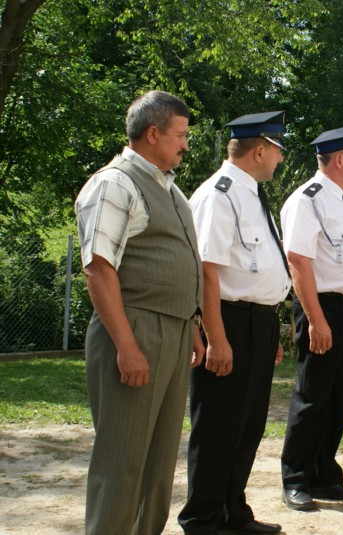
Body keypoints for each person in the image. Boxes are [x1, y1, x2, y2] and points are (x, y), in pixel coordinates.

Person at [75, 90, 204, 534]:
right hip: (135, 329)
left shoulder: (169, 187)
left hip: (173, 331)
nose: (185, 144)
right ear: (153, 134)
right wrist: (127, 347)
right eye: (180, 135)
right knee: (123, 459)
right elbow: (98, 268)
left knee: (158, 462)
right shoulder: (115, 184)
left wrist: (192, 325)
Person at [178, 112, 290, 535]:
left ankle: (231, 510)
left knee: (247, 425)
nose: (280, 159)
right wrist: (216, 337)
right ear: (259, 150)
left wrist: (269, 330)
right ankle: (202, 519)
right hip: (228, 321)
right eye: (277, 151)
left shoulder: (252, 194)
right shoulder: (219, 195)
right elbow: (207, 270)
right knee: (218, 426)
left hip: (257, 322)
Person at [279, 124, 343, 511]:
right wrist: (316, 320)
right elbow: (297, 261)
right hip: (324, 309)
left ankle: (323, 473)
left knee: (340, 399)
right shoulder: (307, 200)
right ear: (339, 159)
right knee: (312, 398)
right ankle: (295, 478)